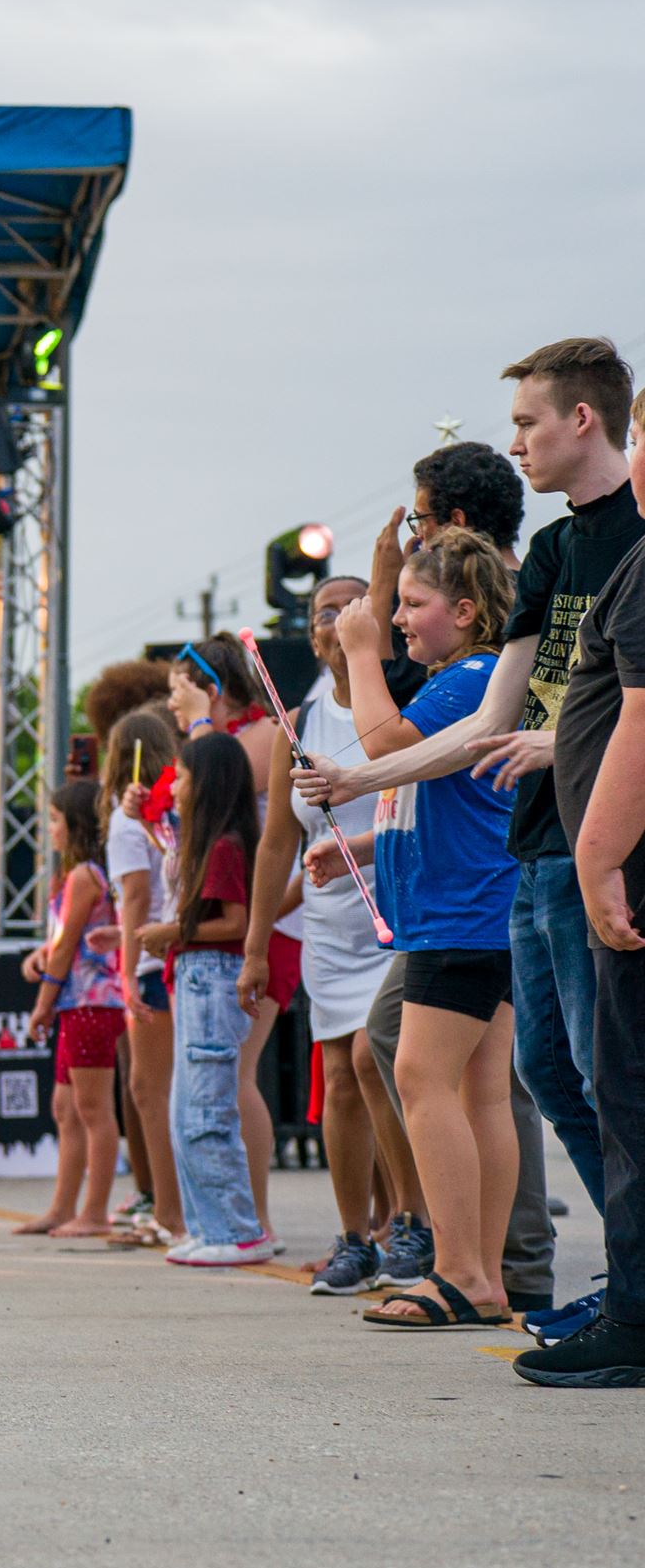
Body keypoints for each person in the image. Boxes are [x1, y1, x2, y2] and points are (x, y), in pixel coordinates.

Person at [329, 442, 553, 1305]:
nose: (397, 621)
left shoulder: (467, 680)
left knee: (421, 1075)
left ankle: (461, 1267)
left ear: (464, 611)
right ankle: (491, 1274)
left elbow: (386, 746)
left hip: (461, 913)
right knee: (482, 1089)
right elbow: (415, 785)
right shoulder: (470, 674)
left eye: (412, 606)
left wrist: (356, 647)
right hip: (472, 907)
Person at [248, 578, 409, 1294]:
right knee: (340, 1078)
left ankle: (410, 1223)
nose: (337, 619)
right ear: (313, 634)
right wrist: (256, 943)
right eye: (323, 611)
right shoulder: (298, 721)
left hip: (395, 912)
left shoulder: (397, 701)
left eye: (354, 604)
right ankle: (354, 1238)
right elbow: (276, 841)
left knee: (387, 1069)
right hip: (328, 928)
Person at [531, 388, 645, 1384]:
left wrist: (598, 855)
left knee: (627, 1088)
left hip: (628, 877)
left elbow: (638, 720)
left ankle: (636, 1315)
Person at [166, 634, 292, 1235]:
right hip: (223, 928)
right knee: (210, 1081)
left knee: (233, 1076)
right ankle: (227, 1215)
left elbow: (217, 787)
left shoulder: (261, 734)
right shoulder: (220, 739)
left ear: (210, 689)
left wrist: (197, 724)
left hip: (262, 924)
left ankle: (252, 1218)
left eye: (178, 692)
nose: (171, 705)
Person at [135, 733, 273, 1266]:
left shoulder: (224, 846)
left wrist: (172, 932)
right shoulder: (206, 842)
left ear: (207, 784)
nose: (174, 789)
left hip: (210, 975)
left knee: (206, 1109)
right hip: (195, 976)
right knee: (185, 1111)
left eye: (183, 779)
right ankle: (208, 1224)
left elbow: (234, 922)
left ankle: (237, 1229)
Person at [17, 781, 121, 1238]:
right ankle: (62, 1206)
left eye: (56, 819)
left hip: (91, 1000)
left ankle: (94, 1211)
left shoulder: (84, 877)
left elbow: (66, 950)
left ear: (75, 825)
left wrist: (43, 1002)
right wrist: (41, 956)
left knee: (92, 1108)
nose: (50, 828)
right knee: (66, 1106)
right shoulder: (76, 875)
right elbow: (60, 943)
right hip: (76, 999)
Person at [103, 707, 182, 1247]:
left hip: (153, 958)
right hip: (165, 949)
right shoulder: (166, 810)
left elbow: (134, 895)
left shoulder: (128, 817)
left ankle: (168, 1211)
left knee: (151, 1091)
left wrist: (126, 969)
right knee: (156, 1089)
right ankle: (168, 1206)